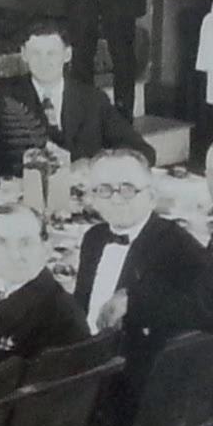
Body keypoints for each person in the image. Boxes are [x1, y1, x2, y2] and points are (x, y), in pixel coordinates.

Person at [74, 145, 213, 369]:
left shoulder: (175, 244)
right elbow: (80, 308)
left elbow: (206, 308)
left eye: (127, 189)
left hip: (133, 371)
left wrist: (133, 302)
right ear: (93, 198)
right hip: (83, 361)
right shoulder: (94, 238)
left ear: (151, 196)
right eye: (104, 190)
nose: (116, 199)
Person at [0, 22, 146, 183]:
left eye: (51, 53)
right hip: (18, 197)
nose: (43, 62)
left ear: (67, 55)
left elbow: (141, 150)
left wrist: (95, 164)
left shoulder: (92, 99)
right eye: (36, 53)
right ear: (24, 55)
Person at [0, 201, 89, 365]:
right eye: (1, 242)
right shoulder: (2, 292)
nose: (14, 255)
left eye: (25, 243)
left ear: (46, 249)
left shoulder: (59, 317)